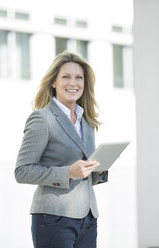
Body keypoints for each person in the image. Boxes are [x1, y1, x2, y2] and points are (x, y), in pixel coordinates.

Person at [15, 50, 108, 248]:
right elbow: (22, 171)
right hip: (53, 218)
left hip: (88, 218)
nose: (73, 83)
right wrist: (68, 172)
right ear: (53, 82)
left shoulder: (87, 121)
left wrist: (99, 171)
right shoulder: (42, 119)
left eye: (79, 77)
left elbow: (86, 175)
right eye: (66, 77)